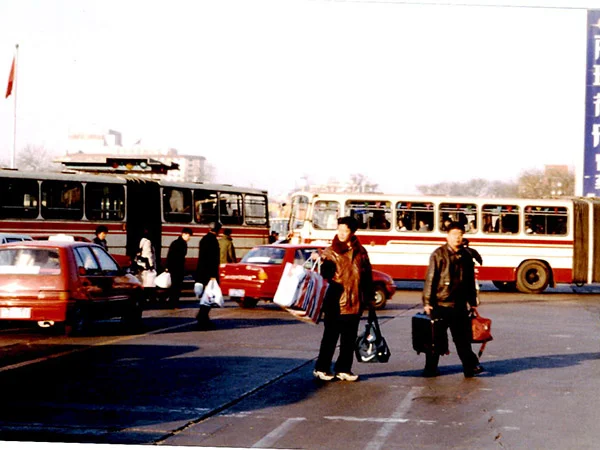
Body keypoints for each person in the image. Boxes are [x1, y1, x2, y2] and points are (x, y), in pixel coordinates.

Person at [313, 216, 375, 382]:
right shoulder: (330, 252)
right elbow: (324, 277)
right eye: (339, 230)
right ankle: (321, 368)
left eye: (345, 230)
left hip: (355, 303)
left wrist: (369, 298)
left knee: (349, 340)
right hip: (335, 303)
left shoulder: (361, 252)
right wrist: (320, 261)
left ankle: (344, 369)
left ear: (352, 232)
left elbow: (367, 276)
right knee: (330, 339)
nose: (341, 234)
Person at [422, 222, 484, 378]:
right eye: (454, 234)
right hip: (440, 304)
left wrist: (473, 303)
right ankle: (430, 369)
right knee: (436, 340)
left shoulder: (466, 256)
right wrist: (427, 302)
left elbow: (470, 282)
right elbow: (431, 279)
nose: (458, 237)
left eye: (460, 234)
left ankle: (469, 369)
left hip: (460, 306)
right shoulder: (439, 254)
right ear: (447, 236)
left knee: (462, 340)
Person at [196, 221, 222, 330]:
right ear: (217, 230)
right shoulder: (213, 241)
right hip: (209, 274)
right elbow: (212, 260)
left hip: (201, 272)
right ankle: (202, 318)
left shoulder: (203, 239)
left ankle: (203, 317)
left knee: (206, 297)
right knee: (209, 296)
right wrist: (213, 275)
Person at [165, 227, 193, 308]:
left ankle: (171, 302)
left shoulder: (175, 242)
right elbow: (179, 257)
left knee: (174, 286)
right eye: (188, 235)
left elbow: (169, 255)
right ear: (183, 234)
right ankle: (174, 303)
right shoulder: (182, 243)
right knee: (177, 287)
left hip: (173, 268)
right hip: (178, 268)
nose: (189, 237)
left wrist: (167, 266)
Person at [138, 229, 157, 304]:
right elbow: (148, 254)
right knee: (150, 282)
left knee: (143, 282)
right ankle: (149, 298)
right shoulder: (147, 242)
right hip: (147, 266)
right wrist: (151, 265)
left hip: (142, 265)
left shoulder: (141, 241)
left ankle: (144, 297)